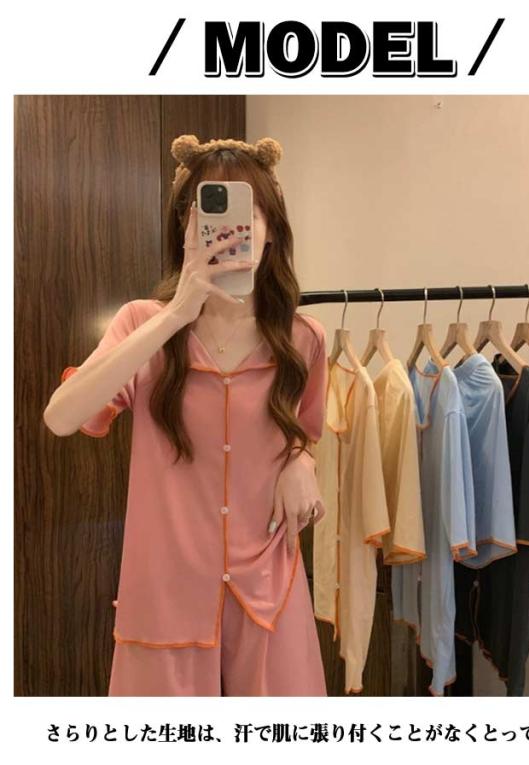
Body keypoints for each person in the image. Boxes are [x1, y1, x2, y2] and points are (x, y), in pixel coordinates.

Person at [43, 135, 329, 696]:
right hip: (166, 590)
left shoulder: (304, 339)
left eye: (248, 213)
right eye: (210, 214)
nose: (230, 231)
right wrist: (176, 314)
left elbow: (305, 432)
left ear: (271, 230)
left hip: (268, 587)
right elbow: (62, 416)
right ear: (185, 228)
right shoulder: (141, 324)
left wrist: (302, 460)